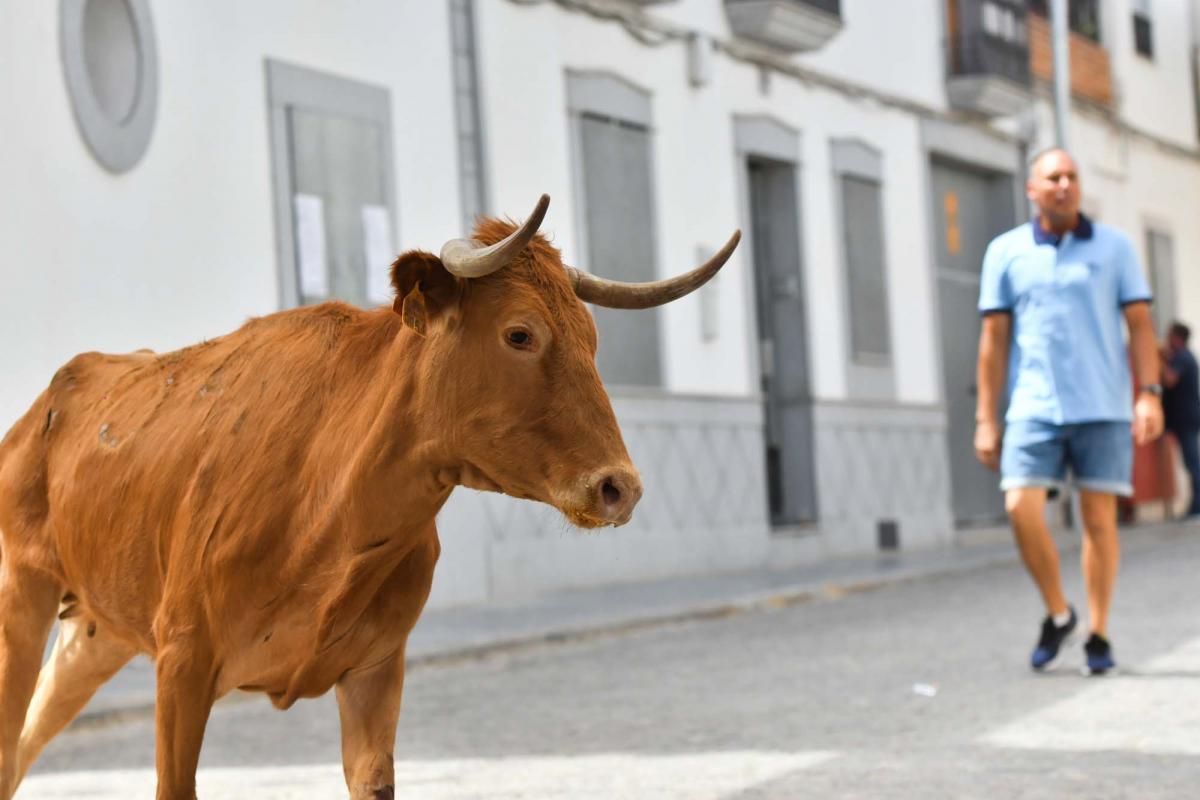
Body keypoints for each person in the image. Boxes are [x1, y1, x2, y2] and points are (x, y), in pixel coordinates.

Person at [974, 148, 1163, 676]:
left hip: (1102, 404)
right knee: (1019, 507)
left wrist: (1148, 392)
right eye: (1053, 177)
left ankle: (1098, 633)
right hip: (1032, 405)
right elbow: (993, 341)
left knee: (1099, 521)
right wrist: (986, 418)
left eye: (1072, 177)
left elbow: (1141, 325)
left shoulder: (1115, 248)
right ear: (1032, 189)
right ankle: (1059, 612)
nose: (1064, 185)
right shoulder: (1005, 252)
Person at [1161, 321, 1200, 518]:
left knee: (1193, 462)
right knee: (1191, 462)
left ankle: (1197, 505)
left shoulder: (1183, 357)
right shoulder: (1182, 356)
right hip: (1186, 417)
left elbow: (1169, 379)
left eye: (1169, 335)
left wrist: (1156, 361)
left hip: (1187, 418)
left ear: (1177, 337)